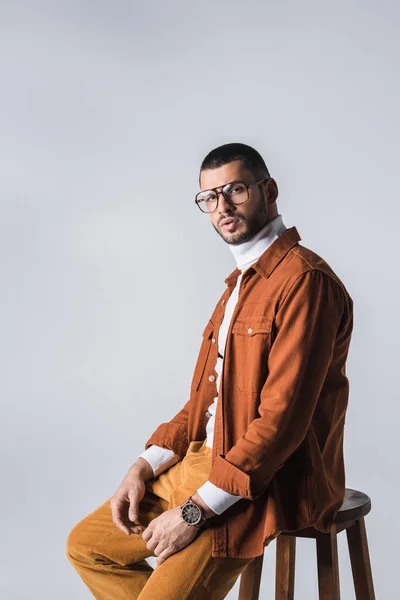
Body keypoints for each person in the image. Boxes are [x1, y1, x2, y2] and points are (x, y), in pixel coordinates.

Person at [66, 142, 354, 599]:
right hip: (199, 460)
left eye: (235, 190)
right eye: (209, 197)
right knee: (86, 547)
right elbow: (206, 402)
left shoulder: (304, 282)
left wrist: (194, 512)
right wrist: (144, 464)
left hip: (258, 481)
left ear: (269, 189)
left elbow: (280, 427)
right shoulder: (239, 286)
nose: (222, 207)